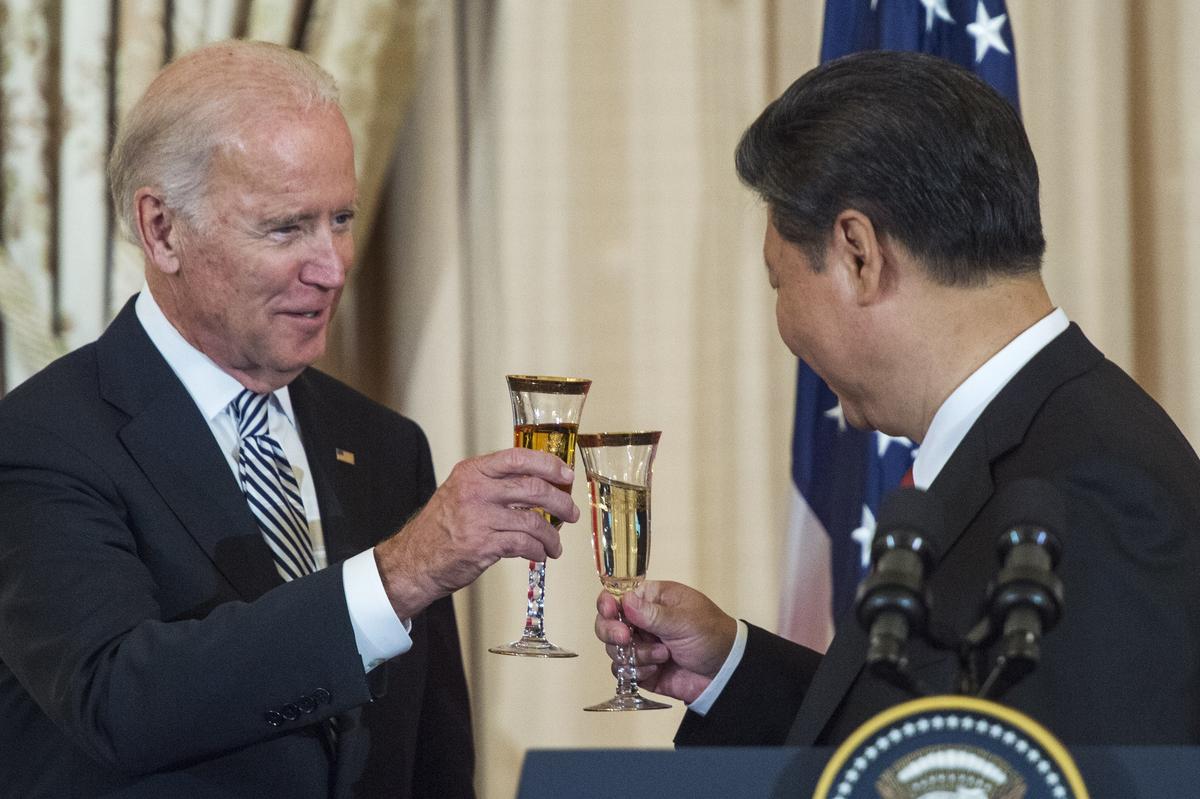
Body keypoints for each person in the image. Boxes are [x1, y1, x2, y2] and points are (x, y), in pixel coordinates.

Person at [0, 40, 577, 797]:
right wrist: (396, 575)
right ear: (162, 229)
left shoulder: (385, 446)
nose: (333, 266)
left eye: (340, 218)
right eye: (285, 228)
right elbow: (119, 700)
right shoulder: (44, 441)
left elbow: (434, 757)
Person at [595, 50, 1200, 747]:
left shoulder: (1097, 496)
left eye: (778, 283)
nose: (783, 322)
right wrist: (731, 665)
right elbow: (935, 743)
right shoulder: (1032, 436)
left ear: (858, 253)